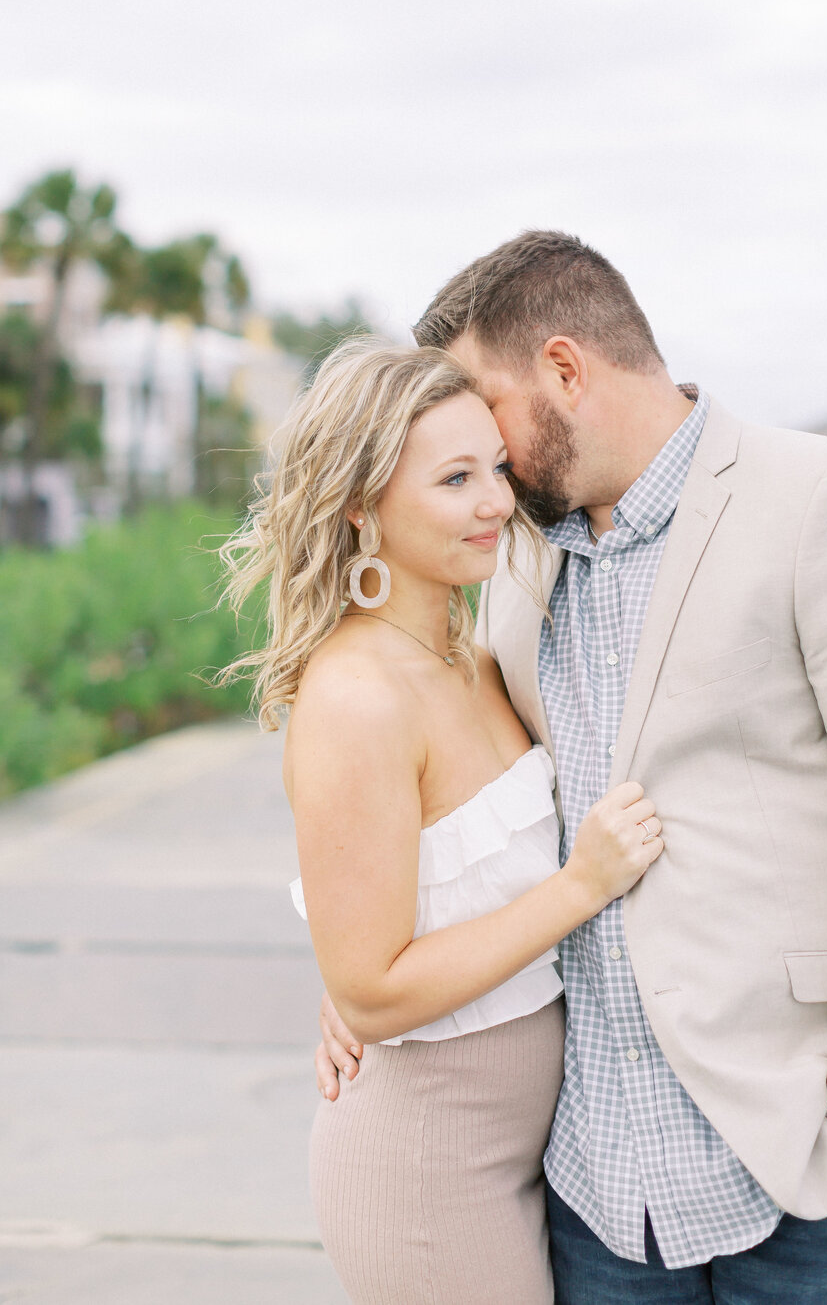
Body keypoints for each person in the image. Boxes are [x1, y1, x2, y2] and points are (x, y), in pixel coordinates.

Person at [317, 230, 827, 1304]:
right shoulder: (512, 557)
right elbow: (457, 808)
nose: (475, 456)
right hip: (596, 1186)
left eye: (480, 404)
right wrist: (369, 967)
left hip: (811, 1169)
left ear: (562, 371)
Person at [216, 336, 664, 1305]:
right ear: (357, 503)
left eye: (495, 469)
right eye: (454, 479)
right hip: (427, 1171)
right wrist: (579, 888)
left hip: (527, 1156)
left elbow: (410, 917)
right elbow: (373, 991)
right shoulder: (357, 697)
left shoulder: (471, 651)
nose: (497, 504)